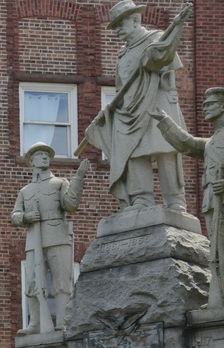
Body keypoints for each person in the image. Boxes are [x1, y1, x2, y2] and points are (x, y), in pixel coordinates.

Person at [80, 1, 191, 210]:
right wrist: (110, 112)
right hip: (130, 109)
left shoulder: (157, 39)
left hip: (157, 103)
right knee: (132, 150)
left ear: (135, 20)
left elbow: (162, 58)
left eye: (121, 25)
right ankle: (141, 197)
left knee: (165, 149)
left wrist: (177, 26)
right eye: (116, 27)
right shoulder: (122, 55)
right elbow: (121, 90)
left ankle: (175, 199)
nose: (118, 31)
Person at [151, 87, 224, 308]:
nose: (205, 108)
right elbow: (187, 143)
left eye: (210, 104)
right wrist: (164, 121)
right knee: (217, 252)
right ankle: (219, 296)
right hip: (213, 202)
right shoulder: (212, 142)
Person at [11, 143, 89, 332]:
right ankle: (35, 323)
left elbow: (70, 205)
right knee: (31, 282)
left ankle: (62, 322)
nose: (45, 157)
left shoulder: (60, 183)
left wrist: (78, 178)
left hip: (58, 237)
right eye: (40, 154)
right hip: (33, 241)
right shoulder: (25, 191)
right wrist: (25, 217)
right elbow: (15, 215)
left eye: (47, 154)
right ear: (32, 161)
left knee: (61, 282)